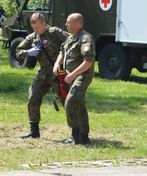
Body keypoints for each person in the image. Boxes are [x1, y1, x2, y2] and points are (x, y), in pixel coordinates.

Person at [15, 12, 69, 139]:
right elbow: (17, 52)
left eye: (38, 27)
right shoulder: (33, 37)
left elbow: (71, 43)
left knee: (66, 101)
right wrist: (27, 52)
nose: (35, 30)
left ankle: (76, 132)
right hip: (44, 73)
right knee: (33, 96)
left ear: (44, 24)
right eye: (33, 28)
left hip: (58, 72)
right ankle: (34, 131)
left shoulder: (55, 33)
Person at [53, 12, 95, 145]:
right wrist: (57, 64)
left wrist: (73, 75)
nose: (66, 24)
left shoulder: (85, 39)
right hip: (70, 75)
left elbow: (88, 62)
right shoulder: (71, 38)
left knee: (71, 102)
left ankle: (75, 135)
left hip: (82, 76)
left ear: (78, 24)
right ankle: (84, 136)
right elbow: (62, 51)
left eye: (68, 22)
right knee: (80, 104)